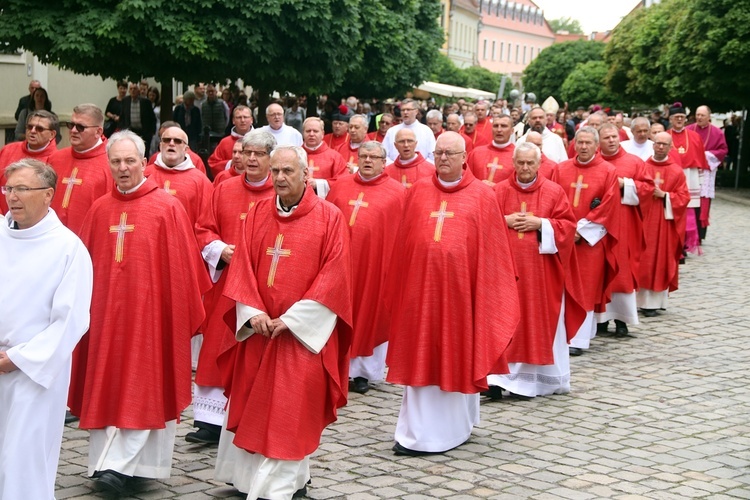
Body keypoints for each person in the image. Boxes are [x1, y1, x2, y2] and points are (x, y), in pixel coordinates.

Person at [68, 131, 210, 494]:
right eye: (115, 161)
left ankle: (124, 465)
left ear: (144, 162)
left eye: (129, 161)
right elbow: (81, 267)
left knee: (143, 384)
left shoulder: (166, 207)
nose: (122, 168)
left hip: (150, 320)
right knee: (105, 384)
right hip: (104, 319)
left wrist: (172, 316)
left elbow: (183, 271)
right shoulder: (99, 209)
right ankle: (105, 465)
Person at [217, 145, 353, 499]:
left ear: (306, 175)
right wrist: (253, 312)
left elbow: (334, 277)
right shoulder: (258, 213)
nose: (279, 178)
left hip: (300, 336)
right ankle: (280, 482)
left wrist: (292, 320)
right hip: (260, 331)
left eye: (287, 171)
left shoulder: (329, 217)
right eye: (275, 171)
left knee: (290, 412)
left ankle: (275, 489)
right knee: (255, 407)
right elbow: (243, 267)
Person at [385, 131, 519, 456]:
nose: (443, 158)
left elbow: (493, 256)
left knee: (457, 354)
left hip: (462, 299)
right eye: (439, 152)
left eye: (450, 153)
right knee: (421, 360)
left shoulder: (482, 196)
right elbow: (403, 245)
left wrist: (481, 296)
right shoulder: (417, 192)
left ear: (464, 158)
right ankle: (416, 433)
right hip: (421, 296)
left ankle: (455, 427)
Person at [0, 159, 93, 500]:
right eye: (9, 188)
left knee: (22, 459)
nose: (13, 197)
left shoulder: (67, 248)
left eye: (22, 189)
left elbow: (71, 321)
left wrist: (17, 358)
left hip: (32, 372)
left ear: (49, 194)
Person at [191, 130, 277, 445]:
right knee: (218, 343)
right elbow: (203, 228)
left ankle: (246, 413)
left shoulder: (280, 194)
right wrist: (219, 250)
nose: (250, 159)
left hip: (261, 287)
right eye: (245, 152)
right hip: (226, 283)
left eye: (258, 154)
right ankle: (210, 419)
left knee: (251, 350)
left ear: (271, 158)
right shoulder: (223, 189)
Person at [488, 143, 585, 399]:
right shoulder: (498, 192)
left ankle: (530, 382)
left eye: (530, 163)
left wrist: (540, 223)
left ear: (540, 164)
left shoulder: (554, 192)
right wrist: (502, 221)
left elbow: (567, 227)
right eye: (520, 162)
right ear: (513, 162)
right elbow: (482, 226)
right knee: (502, 322)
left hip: (540, 277)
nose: (525, 168)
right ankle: (497, 379)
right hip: (503, 273)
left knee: (533, 323)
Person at [327, 142, 406, 394]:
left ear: (385, 162)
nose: (368, 161)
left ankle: (363, 373)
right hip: (340, 264)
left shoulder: (397, 193)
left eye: (374, 157)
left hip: (376, 266)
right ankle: (335, 366)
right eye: (363, 156)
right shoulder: (340, 186)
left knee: (371, 312)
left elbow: (402, 233)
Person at [551, 127, 620, 357]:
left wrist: (580, 231)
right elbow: (551, 199)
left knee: (586, 287)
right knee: (560, 285)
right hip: (563, 239)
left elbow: (609, 207)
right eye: (579, 142)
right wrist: (565, 230)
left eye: (588, 143)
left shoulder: (608, 172)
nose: (582, 147)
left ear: (596, 145)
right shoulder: (561, 170)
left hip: (589, 242)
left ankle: (579, 338)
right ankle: (560, 333)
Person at [597, 124, 654, 336]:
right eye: (607, 138)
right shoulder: (594, 163)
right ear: (599, 141)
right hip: (600, 226)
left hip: (624, 225)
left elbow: (648, 190)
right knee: (600, 271)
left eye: (614, 137)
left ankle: (622, 320)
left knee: (622, 271)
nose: (611, 141)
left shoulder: (634, 162)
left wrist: (625, 184)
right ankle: (600, 319)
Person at [637, 132, 690, 316]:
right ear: (653, 145)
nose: (660, 147)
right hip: (643, 220)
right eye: (657, 143)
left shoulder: (676, 171)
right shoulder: (642, 167)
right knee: (642, 258)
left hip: (665, 224)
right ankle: (638, 301)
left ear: (670, 147)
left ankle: (654, 302)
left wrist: (665, 195)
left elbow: (684, 198)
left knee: (659, 258)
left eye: (664, 144)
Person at [48, 104, 111, 235]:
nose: (74, 130)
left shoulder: (112, 163)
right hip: (52, 236)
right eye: (71, 125)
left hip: (89, 239)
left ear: (98, 132)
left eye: (80, 127)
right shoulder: (55, 159)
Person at [145, 126, 213, 230]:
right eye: (167, 140)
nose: (171, 143)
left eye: (177, 141)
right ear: (160, 146)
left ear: (186, 149)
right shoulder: (145, 174)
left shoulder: (200, 181)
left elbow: (207, 222)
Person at [667, 102, 708, 254]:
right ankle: (673, 242)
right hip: (671, 179)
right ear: (670, 119)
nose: (679, 120)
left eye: (682, 117)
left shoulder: (694, 137)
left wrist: (701, 181)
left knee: (689, 214)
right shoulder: (665, 136)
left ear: (685, 119)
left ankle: (686, 242)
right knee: (672, 211)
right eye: (676, 117)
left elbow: (700, 160)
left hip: (690, 177)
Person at [0, 110, 59, 213]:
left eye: (39, 129)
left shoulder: (56, 160)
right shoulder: (8, 150)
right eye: (29, 127)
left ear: (52, 134)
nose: (33, 131)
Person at [686, 105, 728, 242]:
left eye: (702, 115)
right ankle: (688, 231)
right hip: (690, 170)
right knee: (690, 200)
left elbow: (722, 150)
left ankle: (700, 233)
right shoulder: (688, 130)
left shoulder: (717, 132)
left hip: (705, 171)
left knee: (703, 201)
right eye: (697, 115)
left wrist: (705, 156)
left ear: (709, 117)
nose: (699, 117)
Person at [301, 117, 347, 199]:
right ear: (303, 133)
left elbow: (343, 182)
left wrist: (318, 184)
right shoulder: (294, 155)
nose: (311, 134)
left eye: (315, 131)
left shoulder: (335, 157)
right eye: (308, 131)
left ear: (322, 134)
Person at [467, 114, 515, 187]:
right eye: (495, 126)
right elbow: (466, 179)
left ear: (512, 131)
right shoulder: (476, 153)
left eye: (504, 126)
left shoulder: (518, 155)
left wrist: (497, 188)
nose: (499, 130)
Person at [383, 98, 436, 163]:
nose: (405, 112)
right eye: (403, 110)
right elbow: (384, 155)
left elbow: (432, 156)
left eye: (408, 110)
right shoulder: (391, 131)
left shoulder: (426, 131)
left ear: (416, 111)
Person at [208, 105, 254, 178]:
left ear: (251, 120)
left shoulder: (261, 140)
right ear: (233, 120)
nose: (242, 120)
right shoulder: (225, 142)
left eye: (245, 117)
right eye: (239, 117)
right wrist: (231, 163)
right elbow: (213, 163)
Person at [120, 82, 157, 148]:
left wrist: (152, 132)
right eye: (131, 89)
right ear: (129, 90)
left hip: (144, 132)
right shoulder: (125, 101)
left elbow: (152, 118)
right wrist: (122, 129)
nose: (133, 91)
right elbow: (122, 116)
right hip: (130, 131)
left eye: (135, 89)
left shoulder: (146, 102)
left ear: (138, 90)